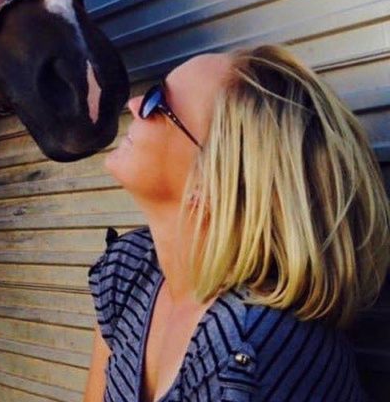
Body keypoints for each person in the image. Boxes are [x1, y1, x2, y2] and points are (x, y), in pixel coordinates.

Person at [84, 45, 390, 401]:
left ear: (212, 181)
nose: (135, 103)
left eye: (157, 102)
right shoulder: (128, 269)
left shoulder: (254, 351)